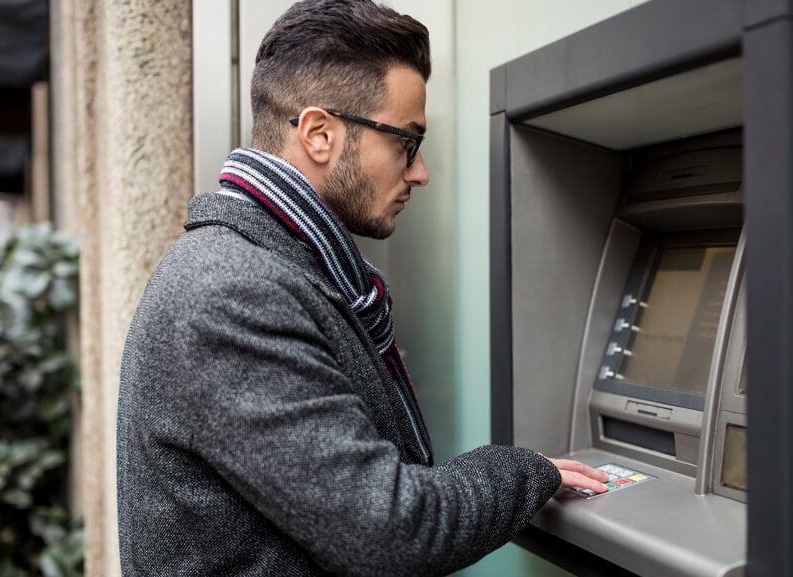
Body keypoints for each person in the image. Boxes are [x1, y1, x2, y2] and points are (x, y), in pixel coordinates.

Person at [116, 1, 609, 575]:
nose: (420, 172)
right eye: (407, 142)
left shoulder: (276, 269)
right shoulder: (233, 291)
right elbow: (391, 530)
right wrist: (524, 470)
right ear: (320, 133)